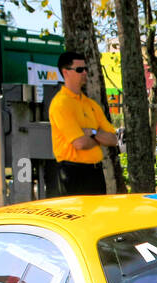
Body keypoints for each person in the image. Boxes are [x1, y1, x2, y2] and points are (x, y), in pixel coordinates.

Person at [48, 50, 117, 196]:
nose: (84, 72)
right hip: (72, 173)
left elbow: (113, 139)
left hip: (95, 172)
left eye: (86, 69)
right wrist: (99, 139)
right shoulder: (61, 104)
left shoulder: (90, 104)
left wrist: (92, 133)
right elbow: (79, 143)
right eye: (79, 69)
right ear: (65, 72)